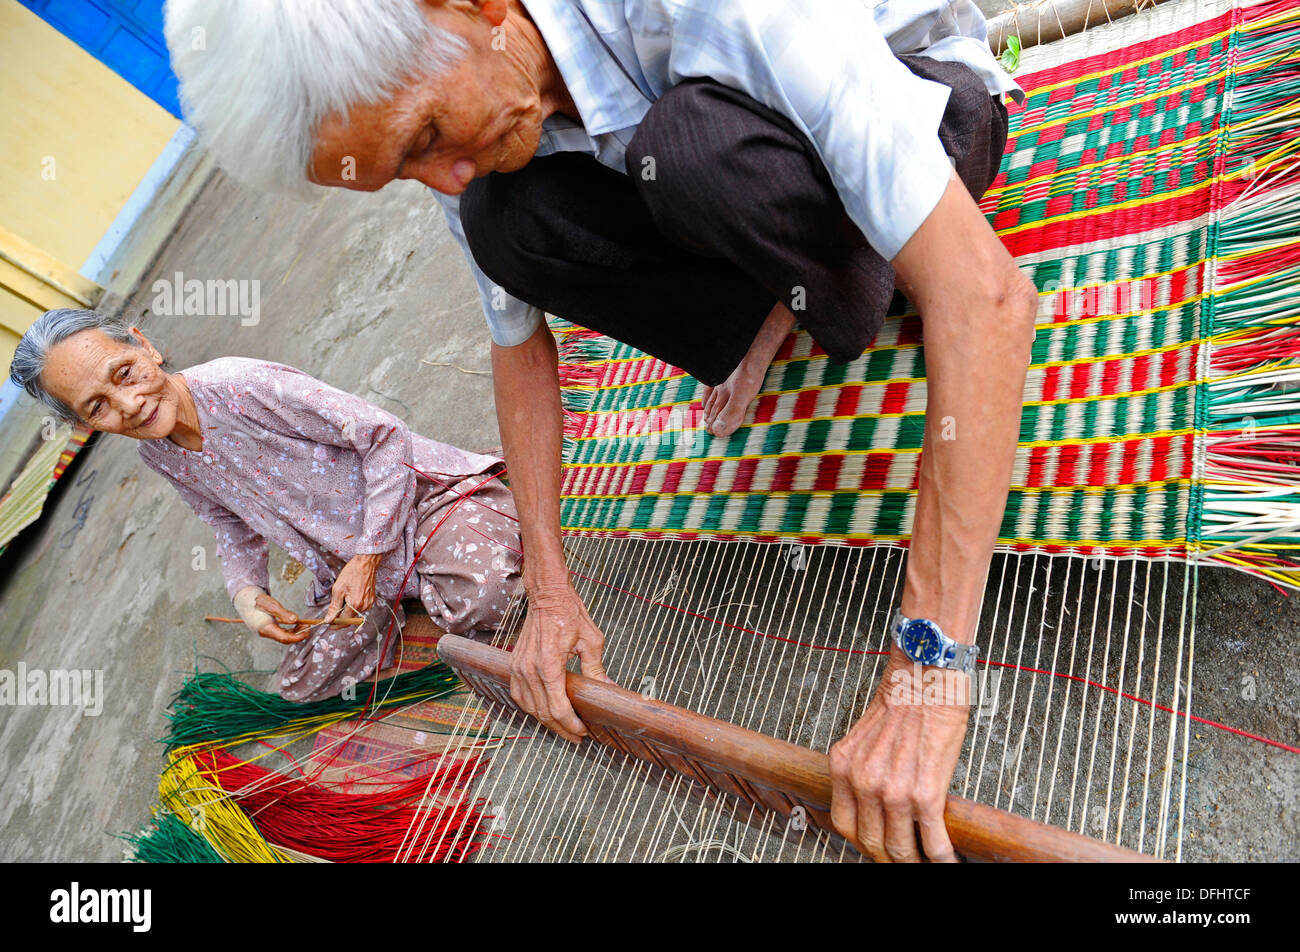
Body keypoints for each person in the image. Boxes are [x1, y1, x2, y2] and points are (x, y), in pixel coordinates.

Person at [162, 0, 1040, 861]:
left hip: (928, 104)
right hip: (742, 166)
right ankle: (791, 291)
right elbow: (517, 345)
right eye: (404, 170)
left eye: (426, 137)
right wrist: (550, 588)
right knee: (504, 222)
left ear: (468, 8)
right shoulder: (471, 109)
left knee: (690, 150)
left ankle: (831, 282)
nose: (442, 177)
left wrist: (928, 674)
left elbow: (988, 300)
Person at [9, 308, 522, 702]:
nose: (129, 405)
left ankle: (441, 557)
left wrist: (368, 559)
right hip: (340, 563)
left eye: (123, 373)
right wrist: (247, 596)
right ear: (84, 425)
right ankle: (408, 589)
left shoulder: (240, 385)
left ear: (145, 347)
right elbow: (224, 519)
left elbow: (384, 436)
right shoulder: (157, 453)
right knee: (302, 682)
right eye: (96, 406)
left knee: (493, 599)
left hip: (419, 506)